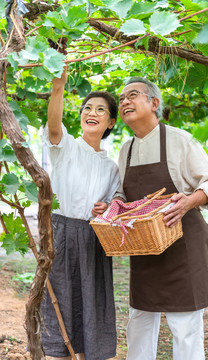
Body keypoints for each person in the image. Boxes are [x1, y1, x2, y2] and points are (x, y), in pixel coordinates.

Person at [114, 77, 208, 360]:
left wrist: (189, 201)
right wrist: (114, 205)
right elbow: (121, 194)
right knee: (139, 320)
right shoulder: (125, 150)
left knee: (185, 326)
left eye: (132, 95)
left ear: (154, 103)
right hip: (146, 248)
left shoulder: (179, 139)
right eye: (122, 98)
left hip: (184, 244)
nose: (124, 101)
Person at [41, 67, 120, 360]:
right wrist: (58, 86)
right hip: (60, 231)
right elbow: (53, 126)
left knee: (90, 299)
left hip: (92, 238)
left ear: (111, 122)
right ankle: (57, 354)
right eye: (88, 107)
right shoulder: (67, 147)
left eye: (101, 110)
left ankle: (87, 354)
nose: (92, 112)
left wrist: (107, 208)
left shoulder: (111, 166)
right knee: (58, 300)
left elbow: (116, 204)